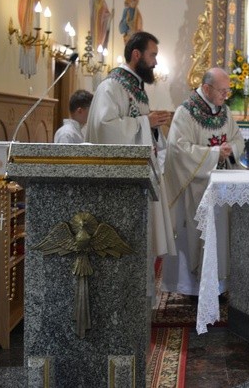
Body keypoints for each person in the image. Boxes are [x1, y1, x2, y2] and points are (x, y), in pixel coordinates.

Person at [85, 31, 175, 300]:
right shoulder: (111, 87)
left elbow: (142, 131)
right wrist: (145, 124)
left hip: (138, 181)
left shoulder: (136, 90)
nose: (156, 62)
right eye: (152, 55)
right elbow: (104, 128)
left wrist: (153, 127)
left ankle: (140, 301)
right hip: (119, 185)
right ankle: (124, 302)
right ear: (136, 55)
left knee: (140, 245)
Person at [160, 67, 245, 297]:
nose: (225, 95)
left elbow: (238, 138)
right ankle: (193, 289)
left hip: (221, 188)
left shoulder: (225, 112)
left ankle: (219, 287)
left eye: (228, 91)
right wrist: (214, 153)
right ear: (206, 88)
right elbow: (178, 150)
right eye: (222, 90)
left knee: (220, 236)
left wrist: (231, 149)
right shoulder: (185, 113)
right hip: (195, 189)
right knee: (196, 236)